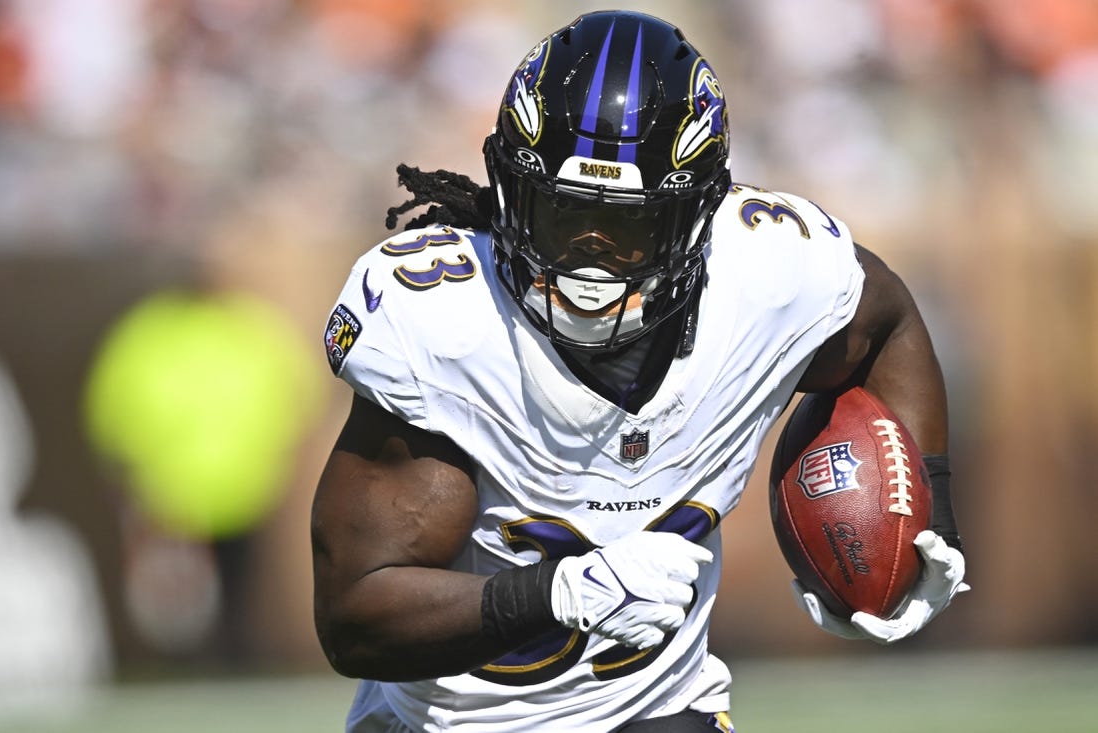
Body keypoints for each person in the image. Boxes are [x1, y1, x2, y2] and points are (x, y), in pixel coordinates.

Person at [312, 10, 968, 732]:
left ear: (696, 215)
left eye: (626, 228)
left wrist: (926, 516)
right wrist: (562, 592)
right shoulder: (447, 326)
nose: (587, 265)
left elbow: (887, 320)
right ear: (507, 192)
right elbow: (355, 617)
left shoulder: (768, 273)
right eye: (562, 216)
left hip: (658, 710)